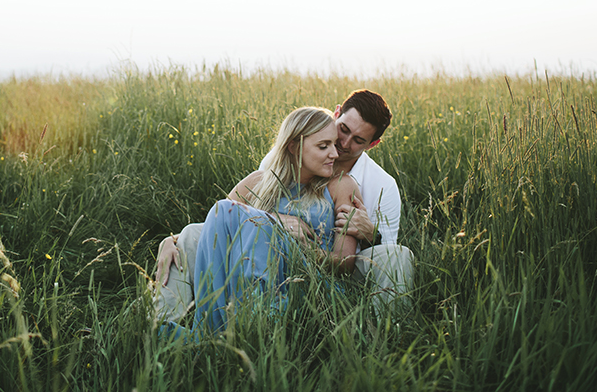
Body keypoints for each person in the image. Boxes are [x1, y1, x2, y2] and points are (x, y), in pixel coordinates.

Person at [153, 89, 414, 322]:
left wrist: (370, 233)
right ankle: (164, 324)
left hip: (325, 266)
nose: (342, 146)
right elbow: (225, 219)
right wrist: (172, 238)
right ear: (336, 116)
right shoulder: (272, 169)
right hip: (262, 255)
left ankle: (385, 334)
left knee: (399, 256)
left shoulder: (376, 185)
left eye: (358, 140)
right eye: (342, 132)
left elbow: (377, 255)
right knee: (189, 236)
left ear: (373, 144)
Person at [188, 106, 359, 332]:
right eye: (323, 146)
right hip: (244, 283)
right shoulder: (257, 182)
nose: (335, 154)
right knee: (224, 209)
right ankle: (214, 327)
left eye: (334, 144)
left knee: (253, 223)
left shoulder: (340, 185)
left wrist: (306, 251)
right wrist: (172, 241)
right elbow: (216, 226)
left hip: (308, 284)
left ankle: (251, 325)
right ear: (294, 147)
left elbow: (346, 262)